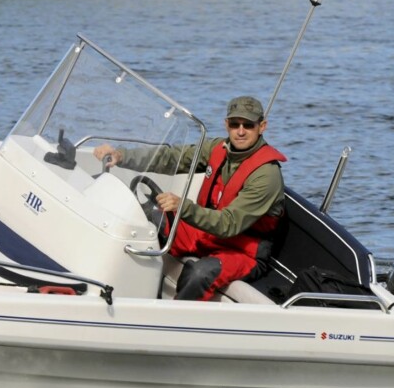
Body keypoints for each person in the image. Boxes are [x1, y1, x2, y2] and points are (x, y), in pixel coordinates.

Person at [93, 96, 286, 301]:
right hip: (208, 234)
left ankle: (171, 324)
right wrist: (122, 156)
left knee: (199, 274)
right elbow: (172, 157)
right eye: (234, 124)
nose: (240, 131)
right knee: (141, 219)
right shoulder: (218, 148)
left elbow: (228, 224)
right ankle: (109, 289)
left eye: (248, 125)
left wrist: (183, 206)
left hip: (243, 250)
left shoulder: (266, 174)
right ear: (226, 124)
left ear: (262, 126)